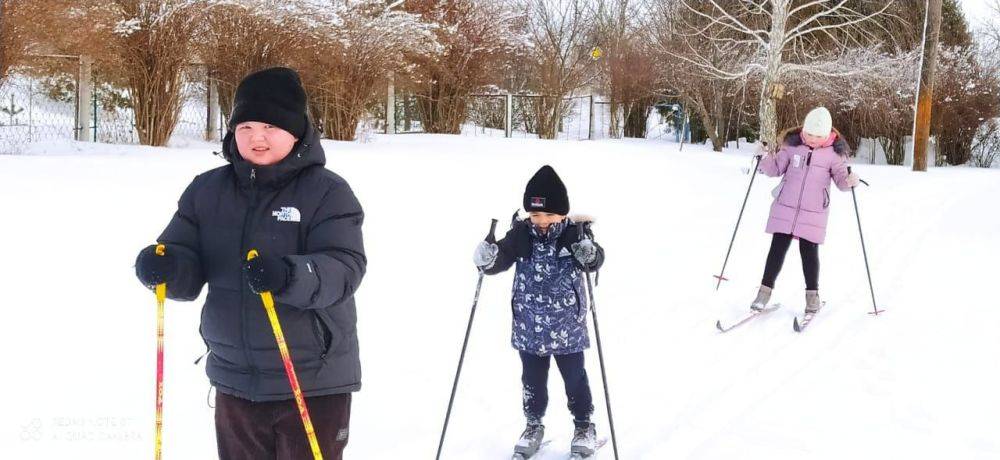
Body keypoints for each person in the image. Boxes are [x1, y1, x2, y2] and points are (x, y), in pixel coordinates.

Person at [133, 67, 366, 459]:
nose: (256, 137)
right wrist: (166, 268)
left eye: (271, 126)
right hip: (235, 379)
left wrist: (290, 274)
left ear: (297, 131)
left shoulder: (328, 192)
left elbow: (344, 268)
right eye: (246, 126)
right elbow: (184, 264)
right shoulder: (207, 191)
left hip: (310, 379)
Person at [472, 165, 605, 458]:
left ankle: (584, 425)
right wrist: (486, 259)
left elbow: (595, 259)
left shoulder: (574, 235)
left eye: (548, 214)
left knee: (575, 379)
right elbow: (499, 260)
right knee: (531, 382)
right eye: (535, 215)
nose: (541, 221)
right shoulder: (521, 235)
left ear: (562, 213)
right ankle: (533, 425)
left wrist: (590, 254)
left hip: (567, 327)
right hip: (528, 327)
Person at [750, 106, 860, 314]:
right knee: (776, 251)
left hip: (814, 212)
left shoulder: (835, 155)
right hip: (785, 208)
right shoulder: (792, 146)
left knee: (809, 254)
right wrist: (763, 159)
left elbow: (841, 181)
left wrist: (850, 180)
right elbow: (775, 169)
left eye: (818, 136)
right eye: (809, 133)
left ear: (828, 134)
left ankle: (812, 297)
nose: (812, 139)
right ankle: (763, 294)